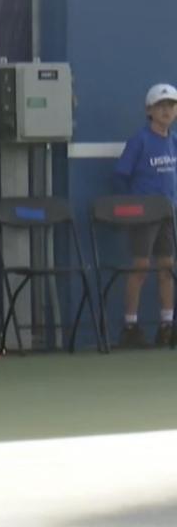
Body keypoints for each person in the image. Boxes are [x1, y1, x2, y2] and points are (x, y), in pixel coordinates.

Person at [112, 82, 177, 349]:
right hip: (144, 215)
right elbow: (120, 175)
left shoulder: (173, 141)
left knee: (166, 268)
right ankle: (130, 325)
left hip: (168, 215)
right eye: (161, 106)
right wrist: (135, 206)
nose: (167, 111)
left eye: (171, 106)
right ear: (149, 110)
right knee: (140, 267)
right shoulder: (139, 140)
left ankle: (166, 326)